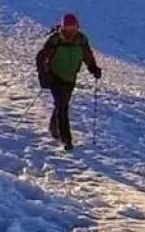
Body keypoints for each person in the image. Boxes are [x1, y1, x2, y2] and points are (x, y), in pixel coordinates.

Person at [35, 13, 102, 151]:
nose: (71, 32)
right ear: (63, 28)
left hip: (70, 77)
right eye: (68, 28)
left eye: (73, 28)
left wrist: (93, 68)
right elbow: (42, 57)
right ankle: (66, 139)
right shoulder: (55, 40)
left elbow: (87, 55)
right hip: (55, 77)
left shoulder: (81, 40)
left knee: (61, 104)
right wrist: (44, 74)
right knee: (62, 106)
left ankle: (54, 127)